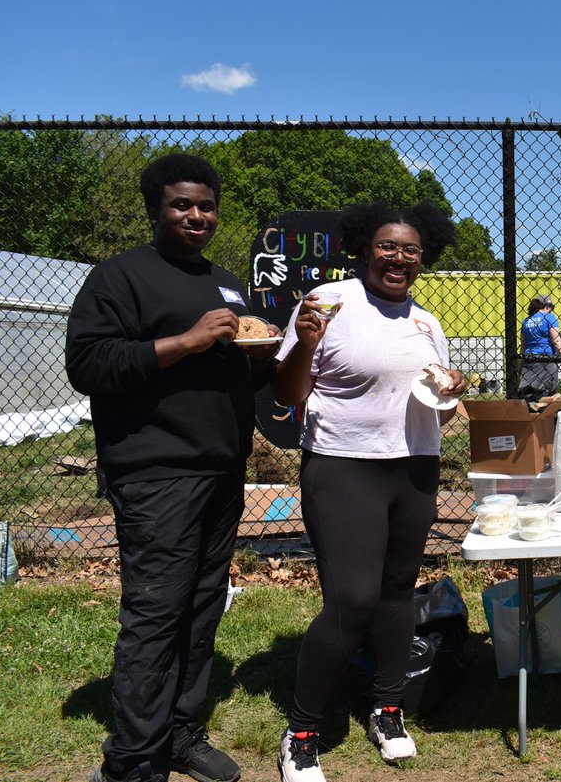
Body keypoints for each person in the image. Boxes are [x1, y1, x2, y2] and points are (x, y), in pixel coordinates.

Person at [67, 154, 276, 782]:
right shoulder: (119, 278)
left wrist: (269, 348)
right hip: (156, 471)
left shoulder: (227, 282)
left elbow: (245, 370)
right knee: (157, 613)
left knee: (203, 606)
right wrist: (186, 340)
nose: (196, 216)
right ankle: (132, 761)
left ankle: (181, 734)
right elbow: (89, 366)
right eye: (182, 205)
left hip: (221, 467)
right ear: (155, 208)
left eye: (206, 205)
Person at [271, 201, 466, 782]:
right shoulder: (330, 304)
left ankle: (388, 707)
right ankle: (302, 731)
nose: (399, 259)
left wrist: (451, 391)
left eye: (410, 250)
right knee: (352, 599)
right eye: (388, 246)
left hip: (413, 470)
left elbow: (439, 411)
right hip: (342, 467)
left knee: (396, 591)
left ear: (423, 256)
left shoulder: (428, 323)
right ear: (364, 249)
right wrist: (305, 342)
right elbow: (285, 392)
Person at [517, 294, 561, 402]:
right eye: (551, 308)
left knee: (528, 390)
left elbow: (523, 344)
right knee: (548, 390)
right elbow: (556, 340)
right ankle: (545, 412)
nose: (551, 311)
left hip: (529, 358)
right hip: (546, 358)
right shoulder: (549, 318)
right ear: (547, 306)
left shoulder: (526, 321)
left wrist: (520, 363)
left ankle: (530, 411)